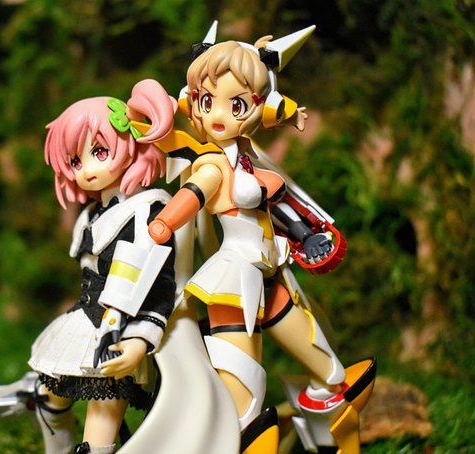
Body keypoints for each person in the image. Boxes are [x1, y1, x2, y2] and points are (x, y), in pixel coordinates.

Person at [146, 26, 376, 453]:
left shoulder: (248, 153)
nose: (218, 114)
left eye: (235, 104)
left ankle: (332, 433)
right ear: (193, 101)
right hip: (235, 283)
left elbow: (270, 110)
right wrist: (164, 223)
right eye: (206, 101)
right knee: (244, 399)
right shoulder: (213, 163)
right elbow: (194, 193)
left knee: (329, 373)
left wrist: (290, 114)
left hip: (270, 277)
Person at [27, 79, 179, 454]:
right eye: (76, 161)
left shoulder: (148, 213)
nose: (87, 169)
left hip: (121, 331)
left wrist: (140, 339)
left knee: (102, 417)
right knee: (48, 398)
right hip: (86, 322)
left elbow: (159, 284)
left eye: (99, 151)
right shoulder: (93, 215)